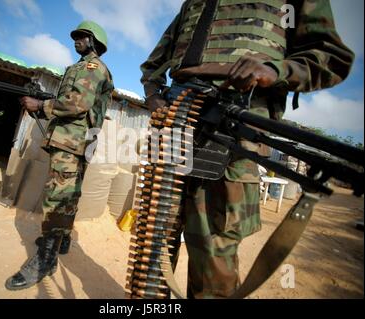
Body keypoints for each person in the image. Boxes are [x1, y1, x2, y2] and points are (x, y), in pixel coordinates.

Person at [140, 0, 354, 298]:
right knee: (152, 248)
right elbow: (152, 66)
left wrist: (275, 69)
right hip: (175, 122)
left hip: (232, 133)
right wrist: (153, 97)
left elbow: (332, 57)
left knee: (214, 259)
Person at [5, 21, 114, 291]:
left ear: (94, 42)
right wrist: (43, 108)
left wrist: (42, 104)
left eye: (81, 36)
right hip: (75, 141)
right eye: (75, 36)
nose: (76, 40)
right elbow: (72, 105)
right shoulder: (80, 68)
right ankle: (61, 239)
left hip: (73, 141)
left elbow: (78, 104)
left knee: (57, 197)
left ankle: (46, 259)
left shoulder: (92, 68)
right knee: (68, 193)